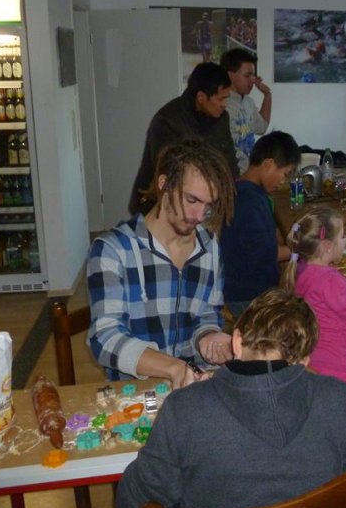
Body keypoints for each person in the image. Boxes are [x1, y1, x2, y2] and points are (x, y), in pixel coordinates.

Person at [114, 289, 346, 508]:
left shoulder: (184, 408)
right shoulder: (338, 397)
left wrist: (192, 403)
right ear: (305, 359)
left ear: (237, 341)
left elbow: (134, 506)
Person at [89, 140, 236, 388]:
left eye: (208, 206)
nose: (199, 217)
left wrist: (209, 338)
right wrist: (173, 367)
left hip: (194, 385)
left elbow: (208, 313)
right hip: (135, 392)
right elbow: (104, 339)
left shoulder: (209, 246)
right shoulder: (113, 250)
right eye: (192, 200)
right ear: (163, 184)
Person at [282, 207, 346, 400]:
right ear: (328, 246)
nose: (345, 239)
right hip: (339, 365)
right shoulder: (329, 279)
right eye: (342, 236)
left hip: (316, 357)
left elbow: (343, 294)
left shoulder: (306, 270)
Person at [128, 62, 239, 216]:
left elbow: (229, 162)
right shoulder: (167, 121)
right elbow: (170, 175)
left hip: (203, 201)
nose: (224, 105)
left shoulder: (221, 118)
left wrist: (232, 195)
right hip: (160, 204)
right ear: (201, 97)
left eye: (226, 99)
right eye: (220, 99)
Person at [221, 131, 300, 317]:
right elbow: (266, 253)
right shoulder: (249, 202)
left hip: (247, 288)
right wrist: (301, 250)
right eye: (285, 174)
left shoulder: (244, 190)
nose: (283, 181)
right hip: (247, 294)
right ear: (268, 164)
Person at [220, 48, 272, 173]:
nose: (252, 80)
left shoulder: (248, 102)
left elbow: (262, 127)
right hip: (230, 175)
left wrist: (267, 95)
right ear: (230, 75)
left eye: (253, 75)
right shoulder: (221, 104)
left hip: (249, 173)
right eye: (247, 75)